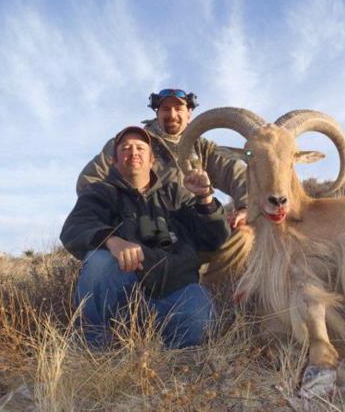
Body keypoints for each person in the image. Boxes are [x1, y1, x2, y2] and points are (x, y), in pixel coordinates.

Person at [60, 126, 230, 348]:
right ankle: (95, 345)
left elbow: (214, 238)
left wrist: (205, 199)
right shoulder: (100, 192)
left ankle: (166, 353)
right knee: (100, 262)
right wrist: (112, 241)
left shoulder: (176, 193)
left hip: (173, 289)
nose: (133, 152)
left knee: (200, 326)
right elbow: (74, 228)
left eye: (140, 148)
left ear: (152, 160)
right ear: (114, 160)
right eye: (125, 148)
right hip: (124, 295)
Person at [76, 88, 250, 282]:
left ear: (189, 113)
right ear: (157, 112)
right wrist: (125, 223)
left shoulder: (203, 148)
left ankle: (210, 288)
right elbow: (88, 181)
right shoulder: (133, 143)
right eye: (166, 109)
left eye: (179, 109)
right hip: (144, 238)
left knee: (244, 233)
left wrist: (246, 206)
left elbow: (238, 174)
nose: (172, 114)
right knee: (108, 263)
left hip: (194, 232)